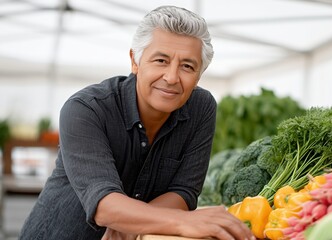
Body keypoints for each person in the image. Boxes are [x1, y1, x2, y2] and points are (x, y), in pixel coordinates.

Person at [19, 5, 254, 240]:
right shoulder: (86, 108)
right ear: (135, 61)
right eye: (161, 60)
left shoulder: (201, 108)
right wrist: (181, 222)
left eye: (187, 66)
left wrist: (130, 225)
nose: (172, 77)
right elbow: (103, 205)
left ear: (199, 74)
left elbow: (183, 192)